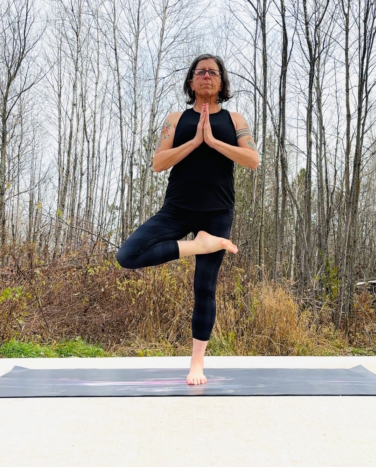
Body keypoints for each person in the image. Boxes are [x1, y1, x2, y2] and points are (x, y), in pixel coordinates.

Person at [115, 54, 259, 385]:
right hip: (177, 209)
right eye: (200, 72)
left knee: (204, 287)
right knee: (127, 256)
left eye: (213, 72)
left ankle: (197, 363)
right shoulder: (175, 119)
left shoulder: (235, 119)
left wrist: (212, 141)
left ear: (221, 82)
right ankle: (198, 246)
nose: (207, 75)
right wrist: (194, 141)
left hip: (217, 211)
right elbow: (159, 162)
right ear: (191, 81)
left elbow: (252, 160)